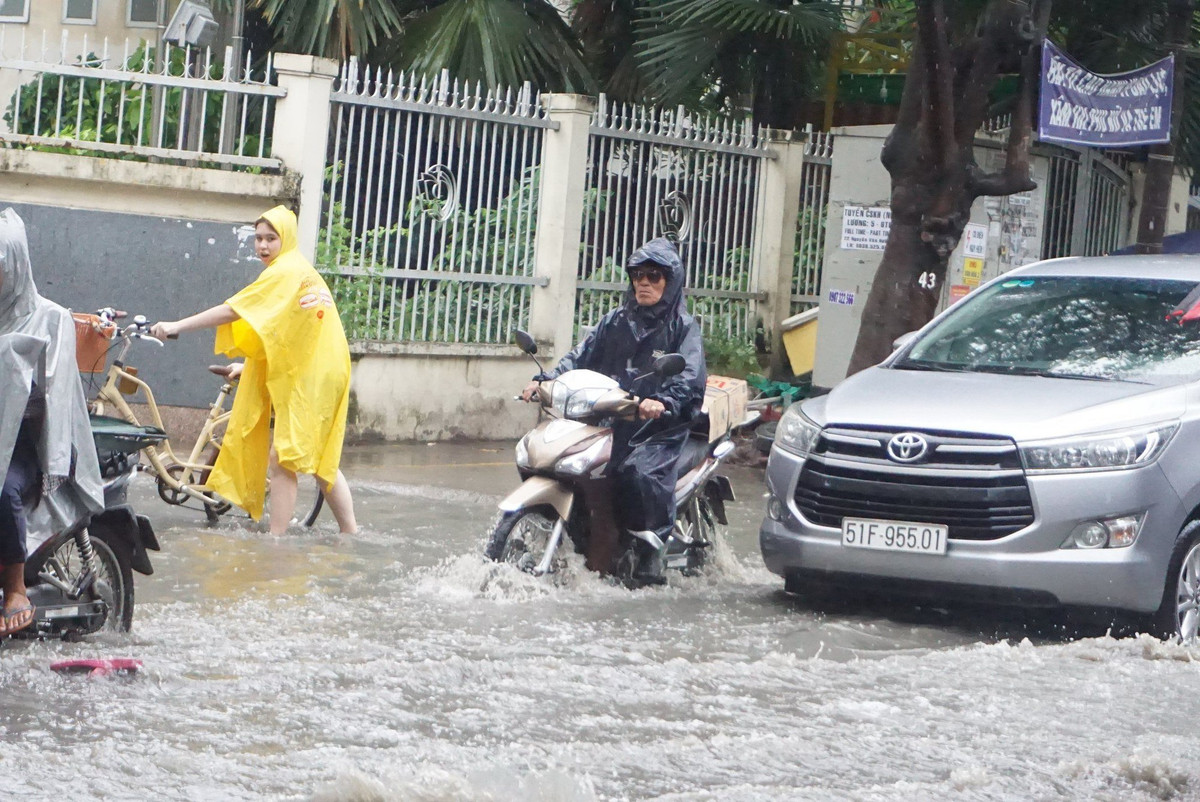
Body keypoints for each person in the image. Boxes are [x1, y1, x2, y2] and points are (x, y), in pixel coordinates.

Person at [151, 206, 358, 535]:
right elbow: (285, 331)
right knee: (319, 456)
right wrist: (249, 364)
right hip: (322, 368)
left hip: (313, 374)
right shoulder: (298, 270)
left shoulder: (284, 271)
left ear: (285, 239)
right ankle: (349, 534)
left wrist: (177, 325)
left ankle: (276, 543)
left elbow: (232, 310)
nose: (263, 246)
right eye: (258, 238)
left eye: (271, 239)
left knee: (284, 457)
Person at [521, 237, 706, 582]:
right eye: (638, 275)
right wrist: (545, 381)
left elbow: (690, 378)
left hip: (659, 427)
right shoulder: (616, 320)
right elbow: (579, 356)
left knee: (637, 473)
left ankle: (651, 550)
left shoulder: (684, 328)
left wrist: (663, 401)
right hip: (611, 416)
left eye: (654, 275)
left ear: (671, 282)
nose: (644, 283)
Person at [0, 208, 104, 635]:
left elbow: (56, 401)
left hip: (28, 440)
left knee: (3, 489)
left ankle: (14, 588)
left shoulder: (51, 318)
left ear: (16, 267)